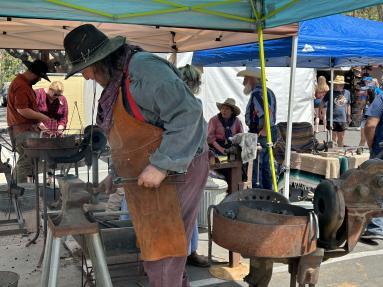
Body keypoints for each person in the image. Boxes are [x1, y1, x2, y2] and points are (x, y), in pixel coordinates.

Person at [63, 24, 209, 287]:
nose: (85, 77)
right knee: (158, 245)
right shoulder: (116, 80)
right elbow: (132, 138)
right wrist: (116, 174)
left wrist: (162, 166)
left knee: (163, 248)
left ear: (101, 61)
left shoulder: (145, 70)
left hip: (180, 166)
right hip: (154, 166)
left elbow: (189, 115)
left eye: (85, 69)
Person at [7, 60, 52, 183]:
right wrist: (43, 117)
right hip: (22, 131)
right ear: (34, 74)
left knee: (29, 161)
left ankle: (21, 190)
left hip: (24, 130)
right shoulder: (21, 85)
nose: (39, 80)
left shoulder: (23, 84)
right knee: (25, 162)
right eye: (39, 77)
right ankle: (17, 191)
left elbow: (27, 111)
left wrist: (39, 124)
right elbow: (22, 110)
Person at [239, 66, 277, 190]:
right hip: (265, 131)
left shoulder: (257, 93)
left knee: (259, 168)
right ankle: (268, 193)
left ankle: (260, 194)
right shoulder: (268, 91)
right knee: (265, 166)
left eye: (246, 78)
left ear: (252, 79)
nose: (244, 82)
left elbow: (267, 112)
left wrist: (264, 132)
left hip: (261, 133)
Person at [361, 90, 383, 243]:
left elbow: (370, 125)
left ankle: (376, 227)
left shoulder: (381, 97)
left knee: (375, 186)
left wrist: (371, 145)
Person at [320, 75, 351, 147]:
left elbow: (348, 104)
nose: (341, 85)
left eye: (342, 84)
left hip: (342, 118)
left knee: (341, 137)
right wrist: (320, 113)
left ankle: (340, 152)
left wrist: (349, 116)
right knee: (333, 137)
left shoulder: (347, 93)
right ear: (335, 84)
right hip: (331, 118)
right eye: (339, 84)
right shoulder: (330, 92)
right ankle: (334, 152)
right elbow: (322, 102)